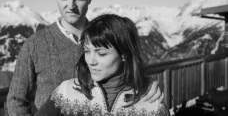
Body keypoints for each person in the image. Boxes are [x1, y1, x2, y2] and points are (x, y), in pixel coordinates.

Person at [7, 0, 163, 115]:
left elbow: (129, 64)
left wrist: (146, 84)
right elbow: (15, 100)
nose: (71, 5)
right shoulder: (34, 44)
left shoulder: (106, 38)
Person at [35, 14, 170, 116]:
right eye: (87, 51)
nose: (91, 61)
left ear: (124, 54)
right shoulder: (66, 93)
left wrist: (145, 84)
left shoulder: (152, 103)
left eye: (101, 54)